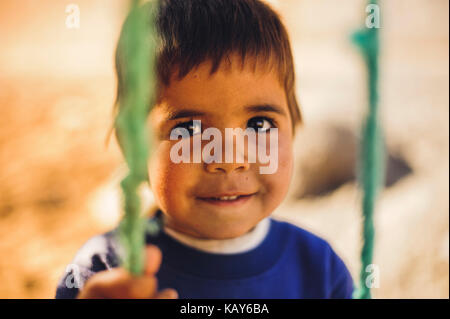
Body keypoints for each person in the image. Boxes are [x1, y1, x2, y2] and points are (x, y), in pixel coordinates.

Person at [55, 0, 354, 299]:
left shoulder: (320, 270)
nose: (228, 159)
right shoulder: (103, 273)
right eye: (189, 129)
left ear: (295, 126)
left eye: (259, 124)